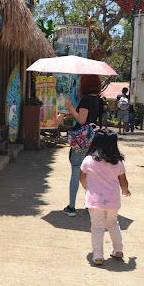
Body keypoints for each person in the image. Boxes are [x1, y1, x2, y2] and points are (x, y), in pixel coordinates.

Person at [79, 129, 131, 265]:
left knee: (97, 227)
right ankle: (118, 249)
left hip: (94, 201)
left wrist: (85, 185)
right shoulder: (118, 162)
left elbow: (82, 177)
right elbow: (123, 181)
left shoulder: (88, 160)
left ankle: (98, 255)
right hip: (113, 201)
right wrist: (125, 190)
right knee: (113, 223)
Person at [55, 74, 102, 217]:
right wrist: (66, 113)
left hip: (81, 140)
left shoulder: (86, 99)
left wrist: (69, 106)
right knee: (90, 173)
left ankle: (71, 207)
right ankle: (90, 204)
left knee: (76, 171)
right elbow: (81, 113)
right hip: (93, 139)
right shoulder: (98, 100)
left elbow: (81, 120)